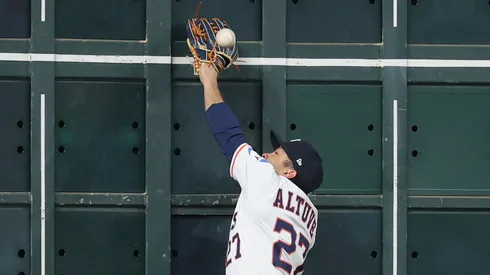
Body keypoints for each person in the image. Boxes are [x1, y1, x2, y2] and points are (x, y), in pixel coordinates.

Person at [199, 62, 324, 275]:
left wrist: (209, 80)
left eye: (277, 154)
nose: (266, 155)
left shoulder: (266, 181)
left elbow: (227, 132)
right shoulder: (311, 217)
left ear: (289, 173)